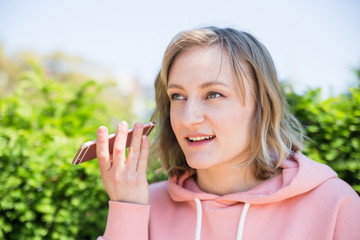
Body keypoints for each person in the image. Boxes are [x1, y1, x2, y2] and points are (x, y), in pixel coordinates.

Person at [96, 26, 360, 240]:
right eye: (178, 96)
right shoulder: (142, 204)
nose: (189, 118)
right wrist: (127, 212)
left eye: (213, 94)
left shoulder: (335, 204)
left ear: (262, 105)